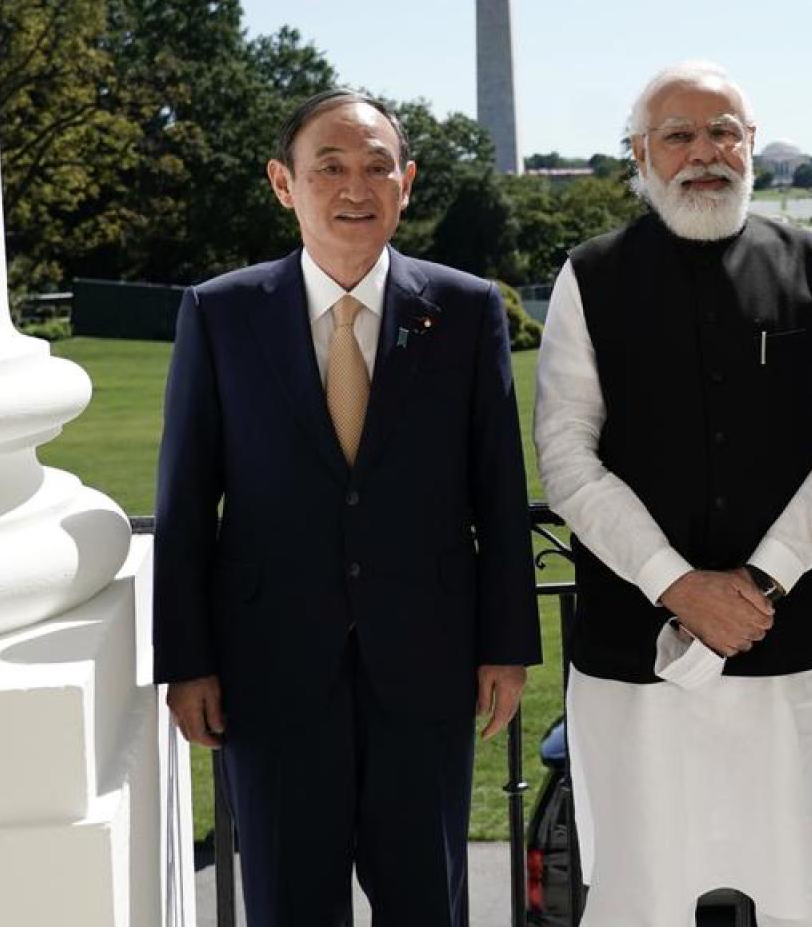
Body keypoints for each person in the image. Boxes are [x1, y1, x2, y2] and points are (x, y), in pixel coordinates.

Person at [153, 90, 541, 925]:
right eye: (328, 166)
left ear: (406, 181)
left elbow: (498, 493)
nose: (354, 187)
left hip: (428, 670)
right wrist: (187, 663)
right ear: (283, 184)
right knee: (290, 906)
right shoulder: (220, 313)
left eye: (375, 167)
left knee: (426, 905)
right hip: (270, 675)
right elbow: (185, 502)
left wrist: (506, 647)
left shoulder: (466, 310)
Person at [535, 61, 812, 927]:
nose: (705, 153)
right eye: (680, 136)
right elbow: (567, 455)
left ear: (752, 144)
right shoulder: (590, 277)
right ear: (640, 154)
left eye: (723, 131)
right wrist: (677, 584)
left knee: (799, 892)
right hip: (635, 651)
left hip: (799, 643)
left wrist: (762, 581)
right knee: (635, 894)